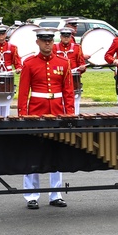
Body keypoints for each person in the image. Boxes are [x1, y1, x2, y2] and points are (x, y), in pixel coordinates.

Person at [17, 28, 74, 209]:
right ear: (38, 42)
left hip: (57, 112)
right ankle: (31, 195)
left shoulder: (63, 63)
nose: (47, 43)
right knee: (33, 154)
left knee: (55, 154)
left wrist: (70, 114)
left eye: (49, 40)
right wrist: (22, 115)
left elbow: (68, 92)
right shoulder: (29, 64)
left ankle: (55, 194)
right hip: (35, 113)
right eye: (43, 40)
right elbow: (24, 92)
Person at [54, 27, 88, 114]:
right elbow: (52, 64)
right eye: (64, 36)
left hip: (73, 79)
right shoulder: (54, 47)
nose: (66, 38)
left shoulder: (77, 48)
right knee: (58, 99)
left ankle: (74, 115)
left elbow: (81, 63)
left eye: (68, 36)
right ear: (61, 37)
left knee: (74, 99)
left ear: (70, 37)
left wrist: (82, 68)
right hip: (59, 78)